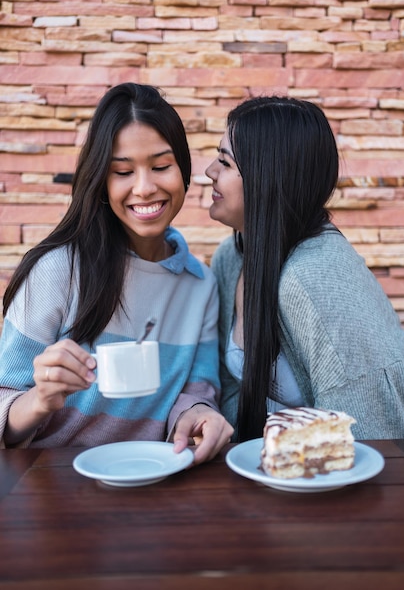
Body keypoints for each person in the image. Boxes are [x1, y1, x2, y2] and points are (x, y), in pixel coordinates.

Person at [0, 82, 233, 462]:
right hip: (52, 485)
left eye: (161, 166)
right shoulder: (57, 271)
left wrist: (198, 413)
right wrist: (40, 399)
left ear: (184, 169)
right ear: (101, 183)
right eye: (122, 172)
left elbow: (197, 389)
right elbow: (4, 408)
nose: (144, 188)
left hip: (154, 481)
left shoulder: (199, 285)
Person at [206, 95, 404, 442]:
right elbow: (234, 395)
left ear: (268, 178)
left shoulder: (317, 276)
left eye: (225, 163)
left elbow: (371, 434)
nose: (210, 171)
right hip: (271, 476)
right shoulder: (231, 258)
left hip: (342, 481)